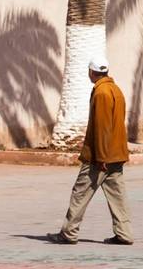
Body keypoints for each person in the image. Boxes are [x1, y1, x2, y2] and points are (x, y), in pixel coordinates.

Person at [53, 61, 132, 245]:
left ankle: (69, 232)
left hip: (100, 157)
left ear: (92, 72)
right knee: (117, 195)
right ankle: (124, 233)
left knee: (80, 192)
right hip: (116, 154)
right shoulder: (116, 89)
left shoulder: (102, 92)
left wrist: (101, 157)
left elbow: (102, 127)